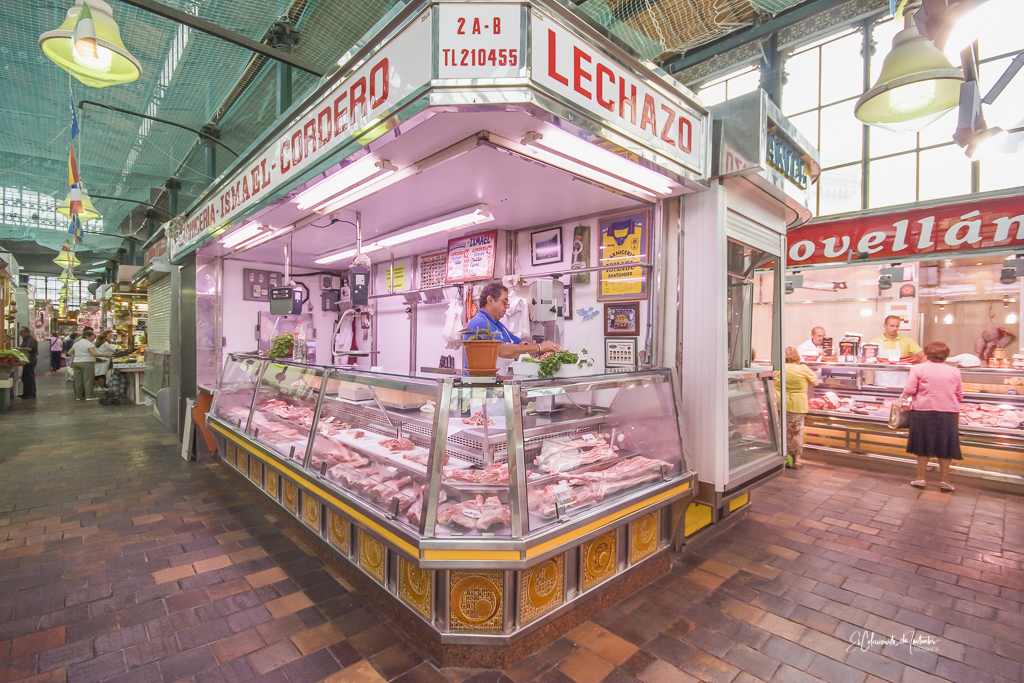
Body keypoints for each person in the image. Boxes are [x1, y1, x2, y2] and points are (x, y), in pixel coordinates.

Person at [903, 341, 962, 491]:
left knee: (922, 446)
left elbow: (909, 389)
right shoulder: (955, 371)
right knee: (945, 447)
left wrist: (906, 398)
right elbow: (959, 394)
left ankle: (921, 478)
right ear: (946, 356)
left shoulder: (918, 369)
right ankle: (945, 481)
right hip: (948, 413)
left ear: (927, 354)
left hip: (923, 411)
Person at [463, 282, 561, 360]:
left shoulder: (497, 324)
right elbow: (502, 350)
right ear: (490, 300)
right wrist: (540, 347)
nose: (507, 307)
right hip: (478, 382)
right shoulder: (480, 322)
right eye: (504, 302)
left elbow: (520, 344)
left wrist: (547, 349)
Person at [775, 347, 820, 469]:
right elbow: (816, 383)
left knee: (780, 432)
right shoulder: (803, 368)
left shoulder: (777, 369)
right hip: (797, 404)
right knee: (796, 432)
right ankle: (797, 460)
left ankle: (780, 458)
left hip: (780, 403)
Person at [69, 329, 111, 401]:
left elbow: (69, 352)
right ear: (87, 337)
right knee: (88, 380)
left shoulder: (76, 343)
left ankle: (78, 397)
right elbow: (94, 353)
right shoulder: (88, 344)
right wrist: (107, 355)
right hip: (87, 362)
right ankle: (89, 396)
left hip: (76, 362)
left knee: (78, 380)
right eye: (92, 337)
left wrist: (79, 355)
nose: (93, 339)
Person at [16, 327, 38, 399]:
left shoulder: (30, 340)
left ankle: (30, 393)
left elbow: (29, 349)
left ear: (27, 332)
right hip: (27, 359)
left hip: (30, 359)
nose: (20, 334)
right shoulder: (25, 339)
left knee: (29, 376)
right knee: (25, 376)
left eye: (22, 332)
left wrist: (18, 349)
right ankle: (26, 393)